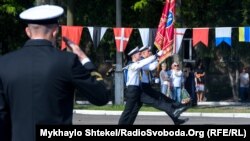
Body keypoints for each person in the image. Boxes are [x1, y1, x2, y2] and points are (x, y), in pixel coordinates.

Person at [0, 5, 109, 141]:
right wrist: (84, 59)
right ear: (55, 31)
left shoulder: (4, 63)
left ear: (28, 32)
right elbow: (101, 96)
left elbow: (2, 116)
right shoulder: (67, 61)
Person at [139, 46, 189, 125]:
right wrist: (158, 58)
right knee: (160, 101)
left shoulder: (145, 60)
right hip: (142, 88)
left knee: (163, 99)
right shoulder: (141, 61)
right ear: (143, 53)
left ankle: (178, 109)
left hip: (146, 86)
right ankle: (177, 109)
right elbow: (152, 67)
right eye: (148, 52)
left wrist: (157, 57)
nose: (149, 53)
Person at [118, 46, 161, 125]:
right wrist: (156, 55)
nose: (140, 55)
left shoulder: (134, 64)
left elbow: (149, 66)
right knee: (128, 110)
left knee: (134, 110)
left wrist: (157, 59)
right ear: (134, 56)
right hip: (132, 89)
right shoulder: (134, 65)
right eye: (138, 54)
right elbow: (144, 62)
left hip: (136, 89)